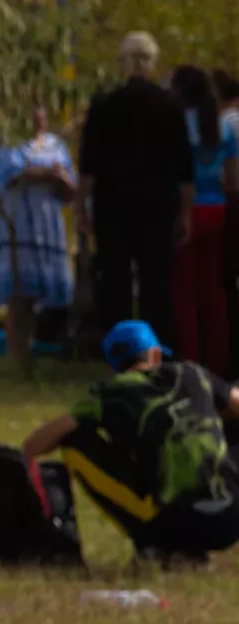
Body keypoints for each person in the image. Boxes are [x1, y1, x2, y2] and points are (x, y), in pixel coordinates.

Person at [23, 320, 239, 566]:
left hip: (178, 524)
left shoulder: (112, 392)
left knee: (73, 444)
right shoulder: (192, 373)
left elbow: (35, 446)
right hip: (230, 521)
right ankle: (187, 551)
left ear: (111, 365)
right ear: (156, 354)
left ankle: (154, 545)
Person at [75, 32, 194, 342]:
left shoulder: (104, 105)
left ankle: (120, 346)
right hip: (158, 204)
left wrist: (80, 209)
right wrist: (185, 214)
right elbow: (185, 169)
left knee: (116, 281)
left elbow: (88, 166)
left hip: (113, 205)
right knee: (157, 281)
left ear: (123, 63)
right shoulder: (171, 106)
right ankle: (158, 347)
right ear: (153, 63)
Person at [170, 66, 239, 375]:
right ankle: (219, 360)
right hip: (218, 210)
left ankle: (190, 361)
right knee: (214, 291)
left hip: (188, 210)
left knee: (185, 292)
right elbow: (233, 178)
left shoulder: (181, 124)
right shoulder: (223, 126)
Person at [0, 105, 76, 338]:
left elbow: (69, 187)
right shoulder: (12, 146)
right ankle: (17, 345)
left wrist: (60, 178)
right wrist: (47, 174)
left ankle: (36, 340)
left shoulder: (56, 146)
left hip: (48, 226)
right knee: (19, 292)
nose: (38, 123)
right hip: (21, 224)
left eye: (42, 118)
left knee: (42, 291)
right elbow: (10, 176)